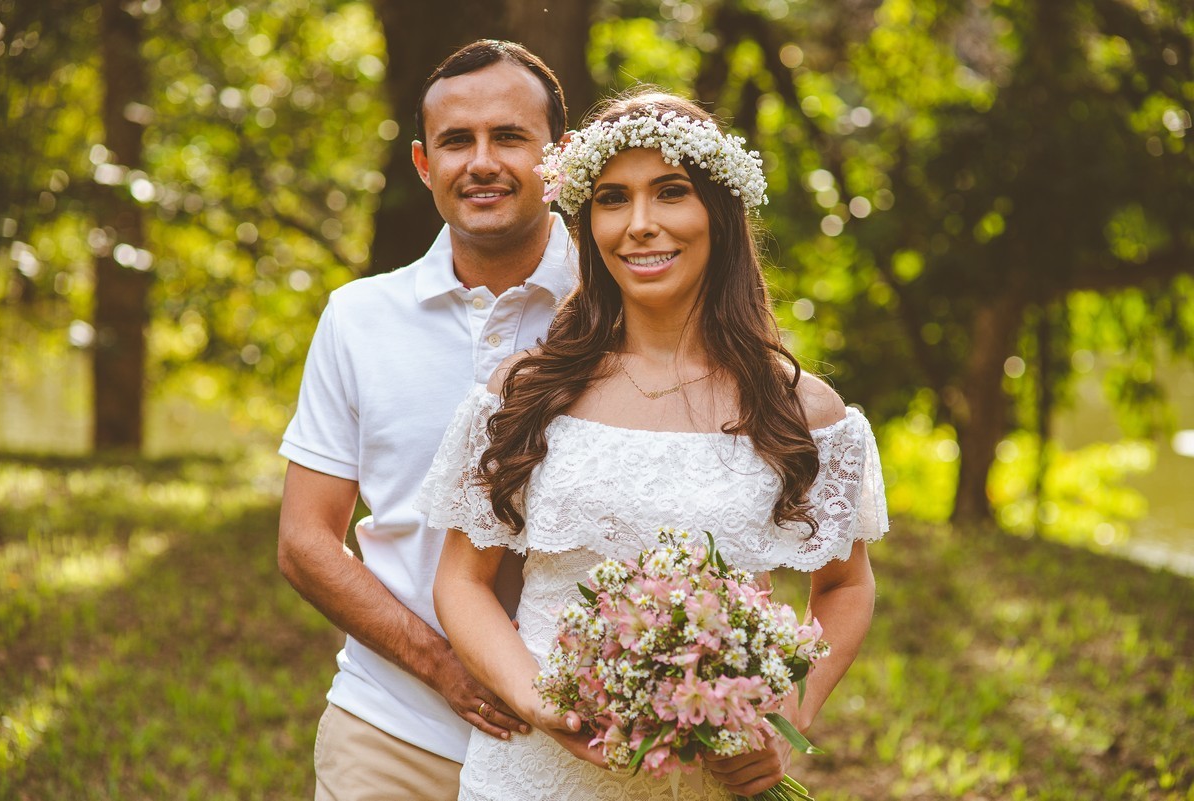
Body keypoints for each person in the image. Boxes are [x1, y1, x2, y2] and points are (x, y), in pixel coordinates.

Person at [419, 90, 889, 800]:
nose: (640, 225)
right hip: (536, 776)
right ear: (587, 221)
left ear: (719, 214)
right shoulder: (526, 393)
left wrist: (789, 712)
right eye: (613, 199)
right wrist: (537, 696)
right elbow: (462, 579)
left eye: (671, 192)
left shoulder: (798, 408)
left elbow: (845, 584)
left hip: (713, 778)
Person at [276, 40, 576, 801]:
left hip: (578, 744)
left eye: (509, 136)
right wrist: (444, 665)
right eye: (456, 141)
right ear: (422, 162)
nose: (482, 162)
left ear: (561, 157)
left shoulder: (621, 311)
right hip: (391, 728)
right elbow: (307, 541)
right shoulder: (358, 318)